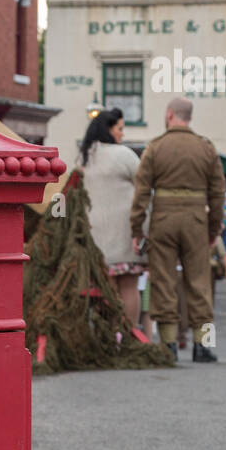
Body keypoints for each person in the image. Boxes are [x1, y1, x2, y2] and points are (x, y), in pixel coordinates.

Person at [130, 96, 225, 363]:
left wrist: (137, 227)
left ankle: (169, 345)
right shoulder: (206, 148)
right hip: (196, 220)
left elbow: (141, 192)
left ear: (170, 115)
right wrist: (213, 228)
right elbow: (218, 193)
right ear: (189, 117)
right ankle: (203, 346)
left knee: (164, 281)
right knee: (200, 283)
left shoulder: (155, 147)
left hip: (164, 219)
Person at [77, 108, 146, 327]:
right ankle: (128, 337)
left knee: (104, 290)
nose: (122, 134)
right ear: (109, 129)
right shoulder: (124, 155)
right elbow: (145, 189)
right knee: (129, 287)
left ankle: (105, 335)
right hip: (125, 236)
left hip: (95, 240)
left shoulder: (83, 157)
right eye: (120, 129)